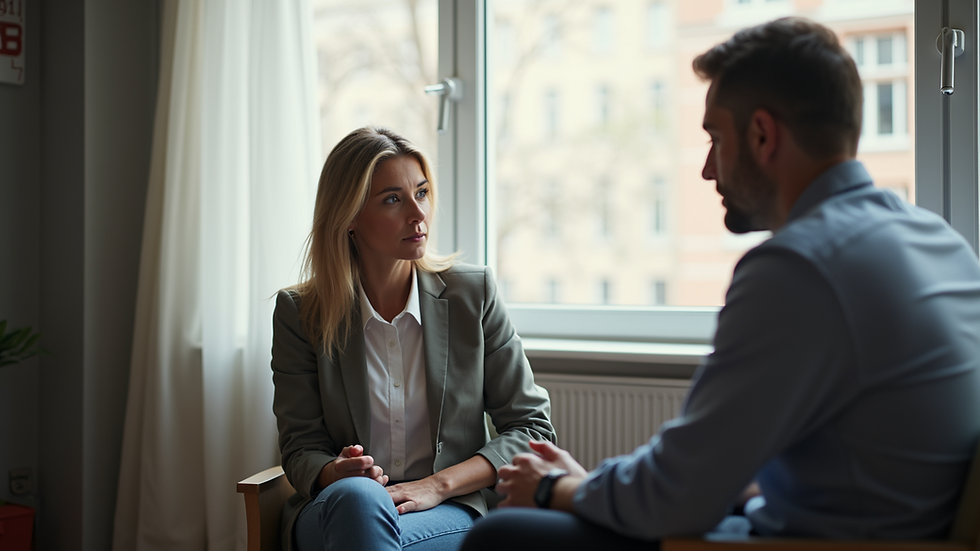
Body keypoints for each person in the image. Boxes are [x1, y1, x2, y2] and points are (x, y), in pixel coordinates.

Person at [460, 17, 980, 551]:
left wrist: (552, 488)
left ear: (762, 134)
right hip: (850, 525)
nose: (708, 169)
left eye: (715, 138)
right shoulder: (939, 242)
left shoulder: (800, 268)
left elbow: (675, 498)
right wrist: (589, 486)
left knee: (503, 534)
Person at [272, 126, 555, 551]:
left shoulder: (471, 295)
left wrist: (437, 485)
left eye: (421, 193)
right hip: (336, 507)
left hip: (446, 507)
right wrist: (337, 473)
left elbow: (533, 428)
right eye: (392, 199)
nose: (418, 214)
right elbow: (300, 448)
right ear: (348, 217)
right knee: (359, 501)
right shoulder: (301, 313)